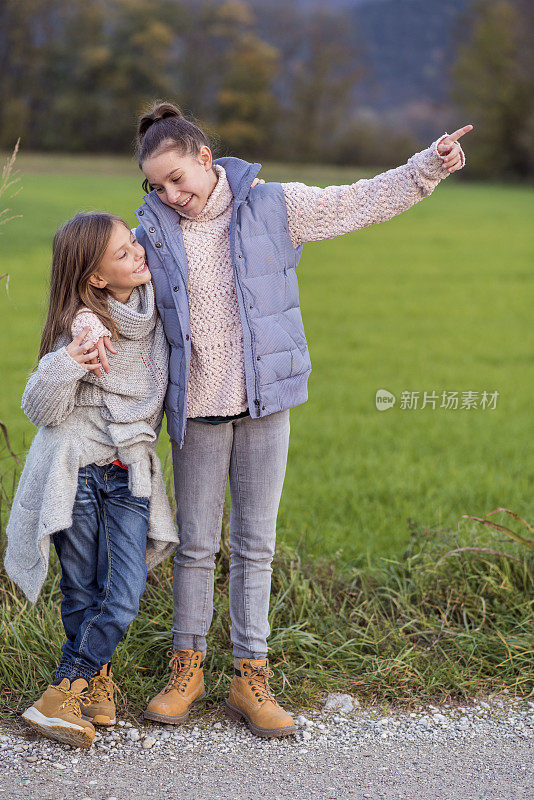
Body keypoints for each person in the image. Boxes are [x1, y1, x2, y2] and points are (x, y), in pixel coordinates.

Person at [129, 102, 472, 739]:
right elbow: (111, 294)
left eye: (178, 177)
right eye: (157, 185)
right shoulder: (150, 231)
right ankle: (188, 670)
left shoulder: (273, 205)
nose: (171, 194)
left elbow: (358, 201)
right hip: (196, 410)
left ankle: (249, 677)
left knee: (256, 546)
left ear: (206, 157)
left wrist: (428, 166)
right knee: (197, 548)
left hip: (266, 402)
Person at [4, 211, 179, 748]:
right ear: (96, 278)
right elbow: (40, 409)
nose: (139, 254)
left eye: (134, 244)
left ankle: (62, 690)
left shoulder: (156, 315)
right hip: (76, 471)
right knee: (81, 589)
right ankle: (92, 684)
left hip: (129, 470)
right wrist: (68, 362)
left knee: (122, 591)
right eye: (124, 254)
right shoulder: (77, 326)